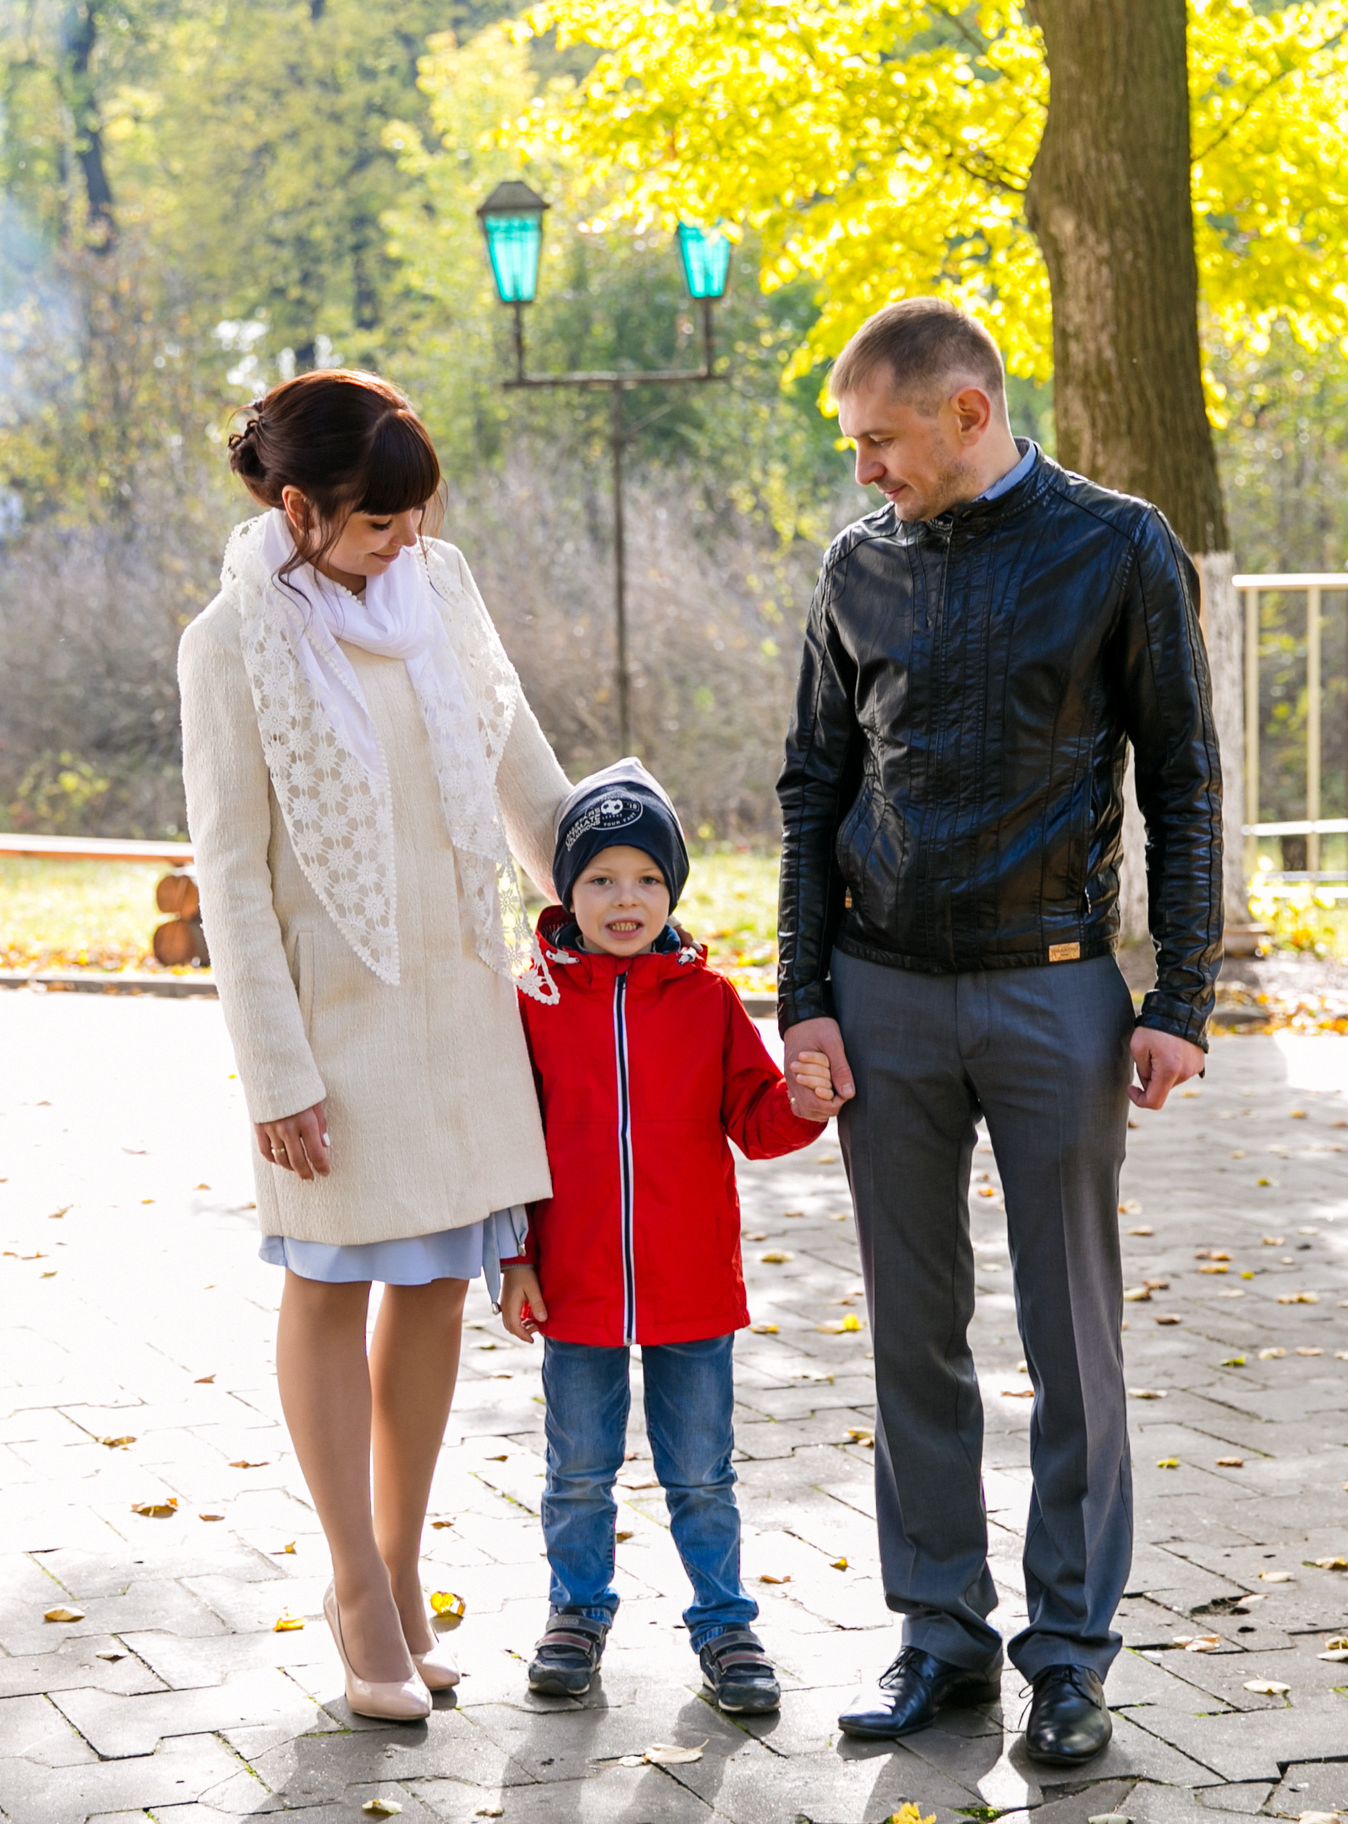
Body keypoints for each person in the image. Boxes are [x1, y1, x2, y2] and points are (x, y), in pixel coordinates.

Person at [775, 299, 1222, 1764]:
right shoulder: (857, 567)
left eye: (882, 440)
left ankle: (1073, 1659)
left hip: (1055, 993)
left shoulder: (1120, 546)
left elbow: (1187, 784)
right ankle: (940, 1642)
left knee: (1070, 1337)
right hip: (884, 991)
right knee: (914, 1332)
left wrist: (1182, 998)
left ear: (968, 412)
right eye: (857, 446)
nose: (866, 472)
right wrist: (805, 995)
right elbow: (812, 792)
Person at [179, 370, 573, 1722]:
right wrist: (275, 1074)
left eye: (415, 520)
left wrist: (612, 883)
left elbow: (522, 768)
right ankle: (353, 1588)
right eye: (373, 525)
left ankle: (405, 1576)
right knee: (333, 1285)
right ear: (297, 508)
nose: (403, 542)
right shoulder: (228, 648)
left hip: (461, 1010)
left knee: (437, 1284)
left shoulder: (442, 593)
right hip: (331, 1035)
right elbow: (231, 877)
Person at [496, 759, 829, 1715]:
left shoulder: (708, 1001)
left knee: (700, 1472)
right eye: (600, 878)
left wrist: (804, 1103)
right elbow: (509, 1144)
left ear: (673, 890)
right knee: (579, 1470)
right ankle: (576, 1612)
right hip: (574, 1283)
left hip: (690, 1286)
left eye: (646, 878)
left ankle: (725, 1625)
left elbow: (757, 1123)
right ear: (566, 890)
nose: (625, 898)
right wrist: (515, 1259)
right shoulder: (534, 1003)